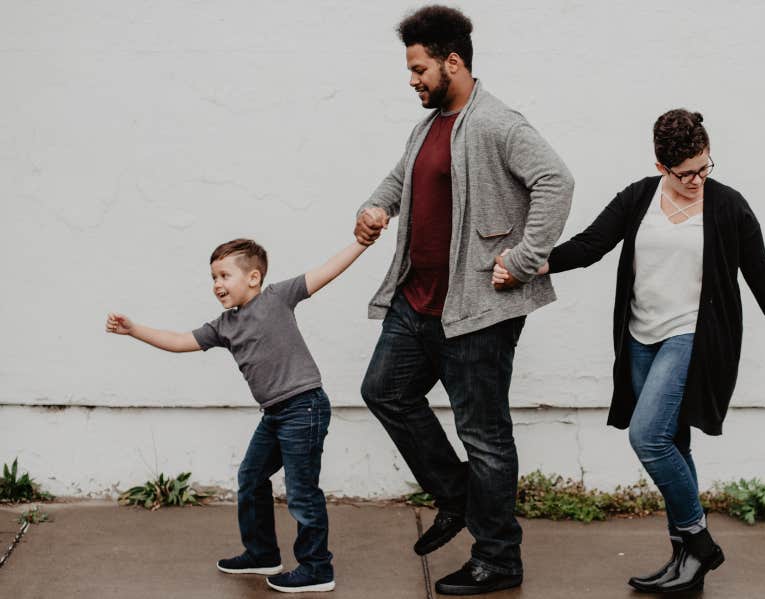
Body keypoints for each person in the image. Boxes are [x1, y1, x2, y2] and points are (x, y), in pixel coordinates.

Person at [493, 108, 765, 593]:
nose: (698, 180)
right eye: (686, 174)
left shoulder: (728, 206)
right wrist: (531, 265)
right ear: (662, 167)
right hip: (640, 338)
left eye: (705, 167)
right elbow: (591, 245)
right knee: (673, 443)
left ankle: (700, 543)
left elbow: (761, 274)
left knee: (648, 438)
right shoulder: (640, 197)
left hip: (692, 337)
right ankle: (685, 562)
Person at [353, 5, 573, 595]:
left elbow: (557, 180)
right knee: (384, 392)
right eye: (410, 69)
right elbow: (401, 178)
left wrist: (524, 259)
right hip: (416, 302)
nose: (412, 79)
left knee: (485, 435)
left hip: (475, 311)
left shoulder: (498, 123)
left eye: (420, 68)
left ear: (454, 62)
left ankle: (498, 557)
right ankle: (457, 499)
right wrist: (375, 208)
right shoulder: (427, 125)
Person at [106, 237, 372, 593]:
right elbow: (180, 340)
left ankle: (317, 568)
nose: (217, 284)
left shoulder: (278, 297)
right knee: (251, 476)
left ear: (253, 277)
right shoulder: (224, 326)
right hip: (275, 414)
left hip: (304, 407)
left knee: (302, 492)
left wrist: (361, 243)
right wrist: (134, 330)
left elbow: (326, 271)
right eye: (213, 277)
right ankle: (262, 553)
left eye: (224, 275)